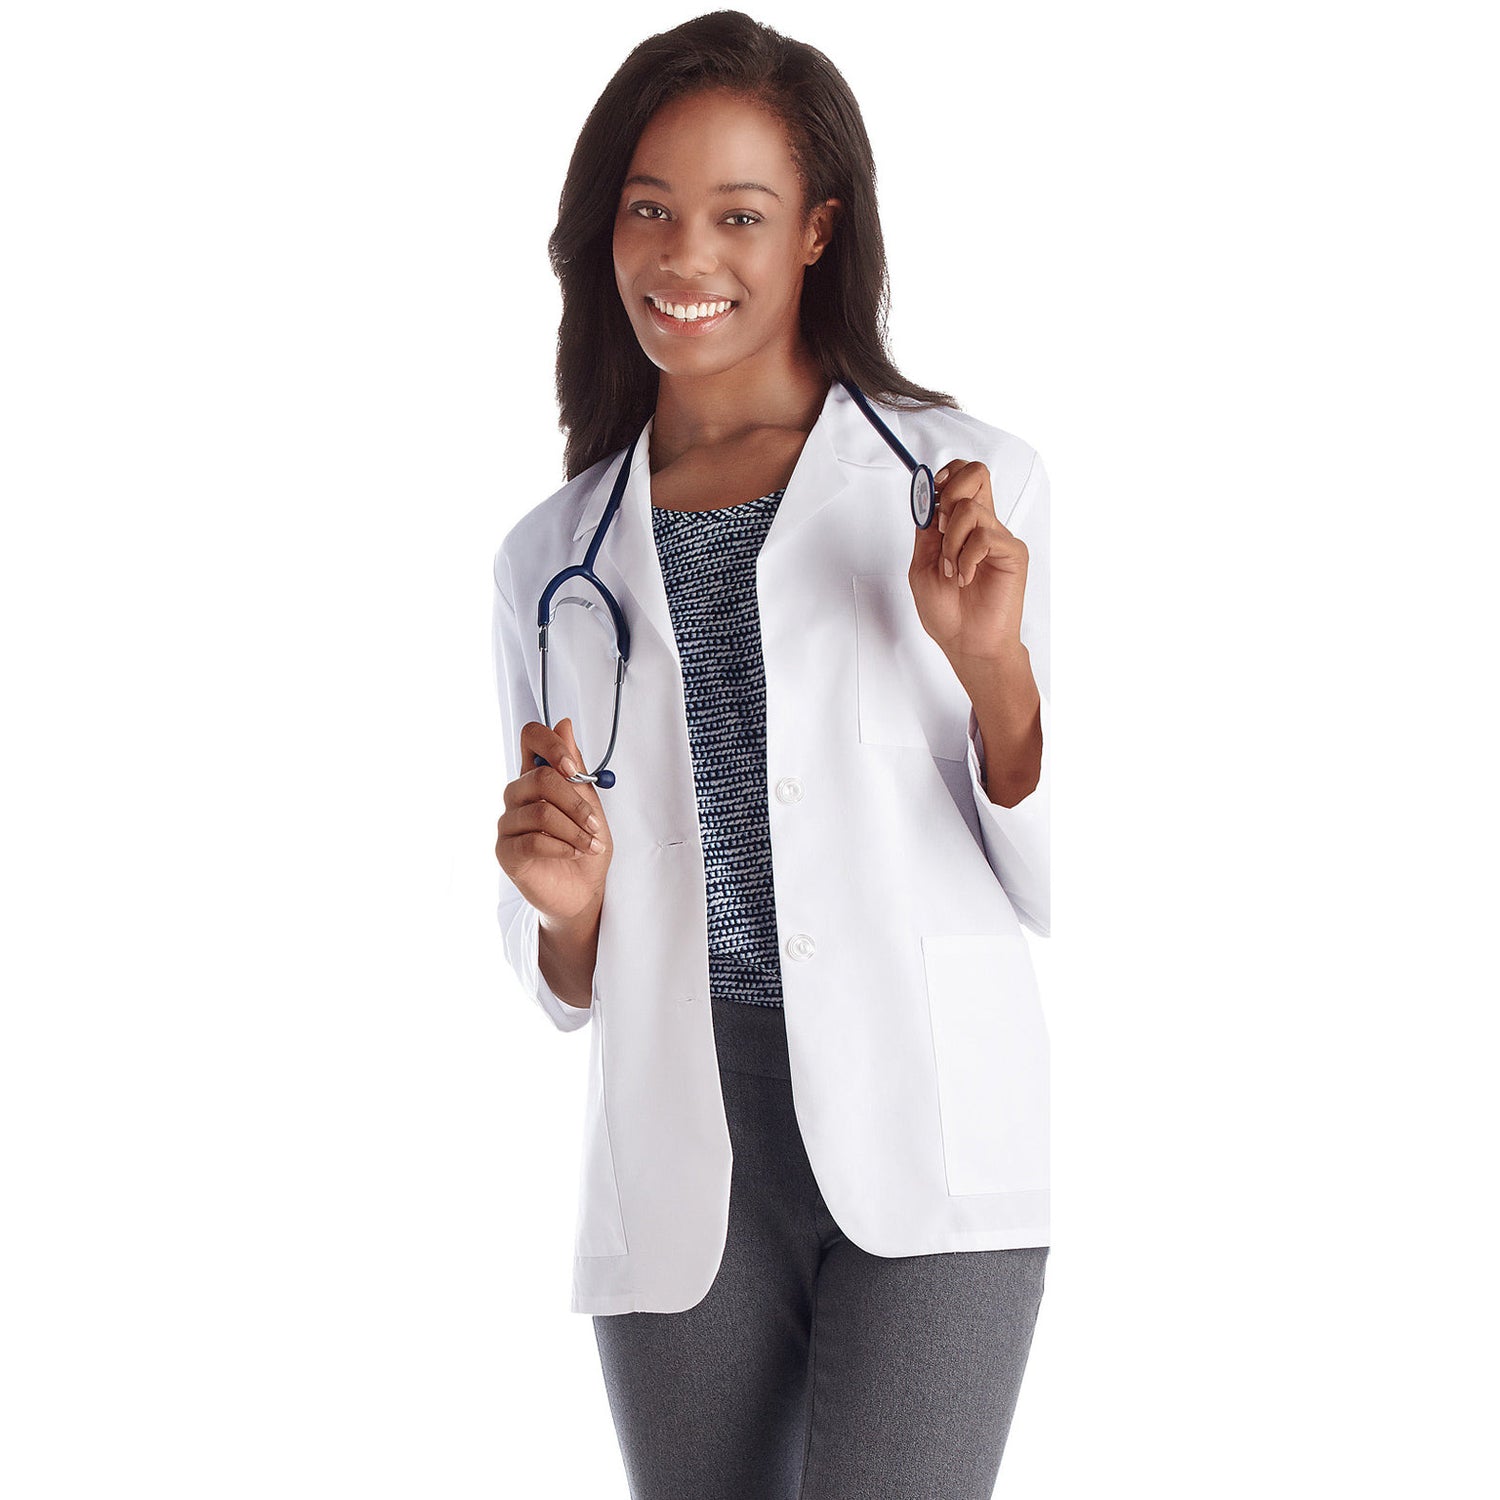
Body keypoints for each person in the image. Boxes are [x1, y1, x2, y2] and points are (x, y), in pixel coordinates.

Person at [491, 12, 1051, 1498]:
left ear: (817, 232)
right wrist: (565, 908)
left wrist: (991, 667)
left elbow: (1071, 866)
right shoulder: (552, 558)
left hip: (925, 1102)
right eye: (649, 209)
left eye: (740, 214)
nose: (687, 256)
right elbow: (562, 971)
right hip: (687, 1121)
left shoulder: (969, 485)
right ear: (602, 230)